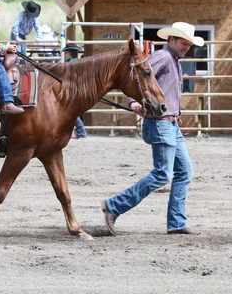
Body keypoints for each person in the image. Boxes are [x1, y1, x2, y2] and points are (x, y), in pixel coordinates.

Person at [100, 22, 204, 235]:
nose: (186, 47)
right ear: (172, 40)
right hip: (161, 123)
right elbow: (138, 77)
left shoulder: (172, 59)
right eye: (183, 43)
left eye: (189, 44)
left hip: (170, 124)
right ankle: (114, 206)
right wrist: (133, 101)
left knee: (183, 172)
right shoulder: (164, 57)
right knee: (163, 173)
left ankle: (176, 222)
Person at [63, 44, 87, 139]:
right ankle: (79, 132)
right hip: (80, 90)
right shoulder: (80, 63)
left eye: (66, 53)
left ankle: (81, 132)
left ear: (68, 53)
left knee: (71, 112)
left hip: (72, 90)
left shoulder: (68, 65)